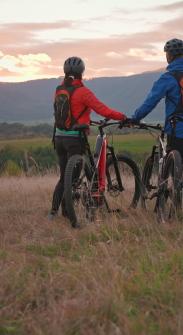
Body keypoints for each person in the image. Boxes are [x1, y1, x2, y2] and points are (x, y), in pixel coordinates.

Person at [130, 38, 183, 212]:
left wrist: (135, 118)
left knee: (175, 172)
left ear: (168, 55)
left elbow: (150, 102)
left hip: (177, 131)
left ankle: (176, 208)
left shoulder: (167, 77)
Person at [47, 56, 127, 220]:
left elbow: (69, 112)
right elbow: (103, 110)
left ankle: (53, 213)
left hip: (59, 138)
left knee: (64, 177)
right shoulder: (83, 92)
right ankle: (69, 212)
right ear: (82, 73)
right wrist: (123, 117)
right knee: (73, 178)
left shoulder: (59, 90)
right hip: (75, 139)